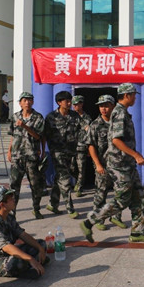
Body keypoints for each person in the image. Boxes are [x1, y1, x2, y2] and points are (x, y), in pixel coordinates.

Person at [79, 83, 144, 243]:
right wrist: (136, 155)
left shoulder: (122, 112)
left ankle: (137, 233)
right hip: (119, 164)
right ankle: (89, 221)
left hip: (127, 164)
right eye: (133, 95)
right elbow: (116, 140)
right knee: (122, 199)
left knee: (138, 198)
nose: (135, 98)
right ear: (127, 95)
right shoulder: (119, 113)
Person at [0, 186, 48, 280]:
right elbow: (6, 247)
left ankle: (33, 265)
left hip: (6, 254)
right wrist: (30, 259)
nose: (14, 200)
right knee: (18, 261)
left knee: (41, 244)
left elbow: (22, 234)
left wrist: (40, 248)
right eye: (10, 199)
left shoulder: (8, 216)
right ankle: (31, 266)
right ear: (2, 204)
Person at [79, 95, 126, 233]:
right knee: (101, 194)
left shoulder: (118, 123)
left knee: (120, 193)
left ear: (113, 106)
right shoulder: (95, 125)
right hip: (103, 166)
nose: (103, 109)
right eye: (101, 106)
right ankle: (99, 219)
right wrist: (98, 164)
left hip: (118, 164)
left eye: (106, 105)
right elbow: (91, 146)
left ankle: (116, 217)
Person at [7, 92, 46, 219]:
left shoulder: (38, 117)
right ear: (20, 103)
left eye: (29, 100)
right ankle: (12, 213)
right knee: (14, 186)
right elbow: (13, 135)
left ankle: (36, 209)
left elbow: (38, 136)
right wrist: (9, 150)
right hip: (17, 157)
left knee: (35, 185)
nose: (27, 102)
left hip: (31, 156)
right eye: (24, 100)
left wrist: (25, 126)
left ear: (33, 102)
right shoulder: (15, 117)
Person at [44, 90, 81, 218]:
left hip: (70, 152)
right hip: (57, 153)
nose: (69, 103)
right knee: (65, 179)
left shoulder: (75, 116)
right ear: (59, 102)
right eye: (67, 101)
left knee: (59, 178)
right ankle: (70, 208)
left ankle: (52, 204)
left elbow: (80, 132)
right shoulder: (51, 117)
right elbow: (45, 135)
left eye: (70, 101)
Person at [72, 95, 92, 198]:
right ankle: (78, 181)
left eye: (77, 104)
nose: (75, 106)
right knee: (71, 167)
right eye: (74, 104)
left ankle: (79, 187)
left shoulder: (86, 117)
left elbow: (88, 131)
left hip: (82, 147)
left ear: (81, 104)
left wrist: (89, 147)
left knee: (81, 168)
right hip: (71, 147)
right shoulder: (70, 116)